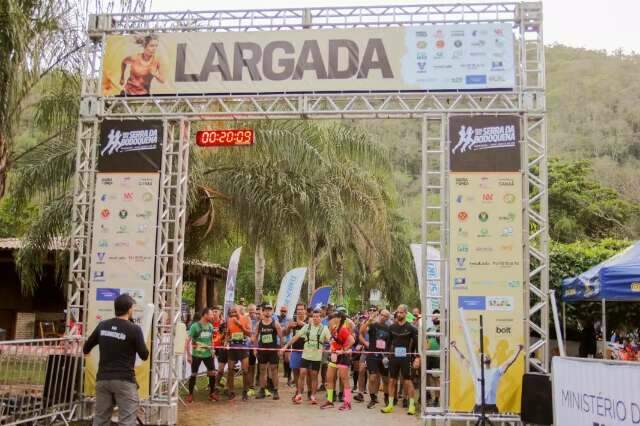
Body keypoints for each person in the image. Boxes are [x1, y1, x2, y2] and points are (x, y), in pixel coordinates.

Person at [83, 294, 149, 426]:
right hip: (125, 381)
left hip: (103, 380)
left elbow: (86, 347)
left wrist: (88, 354)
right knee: (127, 421)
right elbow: (144, 355)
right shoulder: (134, 329)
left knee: (100, 420)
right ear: (130, 309)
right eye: (133, 308)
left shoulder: (103, 325)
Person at [451, 340, 522, 413]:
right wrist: (454, 347)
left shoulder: (496, 371)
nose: (486, 356)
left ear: (490, 359)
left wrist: (518, 350)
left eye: (487, 355)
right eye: (483, 356)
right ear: (480, 360)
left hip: (491, 407)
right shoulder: (475, 371)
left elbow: (509, 362)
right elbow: (462, 359)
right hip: (479, 407)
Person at [283, 308, 330, 404]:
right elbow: (295, 337)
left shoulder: (324, 328)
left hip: (316, 356)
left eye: (318, 317)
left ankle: (313, 396)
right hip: (306, 355)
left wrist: (335, 349)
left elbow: (331, 340)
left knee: (314, 376)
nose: (316, 318)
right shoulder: (307, 327)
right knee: (302, 373)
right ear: (312, 318)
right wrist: (285, 346)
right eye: (314, 317)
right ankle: (299, 394)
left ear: (321, 318)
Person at [381, 304, 418, 415]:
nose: (399, 314)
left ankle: (412, 405)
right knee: (392, 380)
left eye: (402, 312)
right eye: (398, 312)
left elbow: (416, 344)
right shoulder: (392, 327)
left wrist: (417, 357)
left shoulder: (411, 328)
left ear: (406, 314)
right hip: (394, 357)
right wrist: (386, 356)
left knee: (407, 381)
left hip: (406, 357)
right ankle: (391, 405)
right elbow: (388, 343)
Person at [321, 312, 355, 411]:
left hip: (343, 357)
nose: (329, 322)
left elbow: (352, 340)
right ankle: (330, 401)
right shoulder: (333, 329)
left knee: (344, 379)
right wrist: (332, 348)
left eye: (331, 320)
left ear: (337, 319)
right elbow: (332, 342)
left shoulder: (343, 329)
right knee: (329, 378)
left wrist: (343, 350)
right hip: (334, 356)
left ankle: (347, 403)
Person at [185, 307, 217, 403]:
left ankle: (211, 394)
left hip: (208, 355)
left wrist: (213, 349)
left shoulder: (210, 326)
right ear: (205, 315)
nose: (213, 316)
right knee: (194, 374)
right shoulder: (195, 326)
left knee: (212, 374)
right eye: (211, 314)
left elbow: (211, 340)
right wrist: (189, 355)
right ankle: (190, 394)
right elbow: (187, 341)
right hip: (197, 355)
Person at [360, 308, 391, 409]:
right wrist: (369, 320)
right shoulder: (373, 325)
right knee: (372, 378)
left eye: (385, 316)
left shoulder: (388, 328)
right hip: (372, 355)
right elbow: (362, 331)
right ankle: (372, 399)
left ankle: (386, 398)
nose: (383, 317)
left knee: (386, 380)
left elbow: (390, 343)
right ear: (379, 314)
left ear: (387, 318)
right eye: (381, 314)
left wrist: (388, 355)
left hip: (383, 357)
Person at [254, 304, 282, 400]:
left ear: (272, 311)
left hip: (273, 350)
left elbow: (281, 337)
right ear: (263, 311)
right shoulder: (259, 324)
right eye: (266, 310)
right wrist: (255, 348)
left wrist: (280, 349)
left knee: (274, 370)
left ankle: (275, 390)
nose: (267, 312)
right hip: (262, 350)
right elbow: (255, 336)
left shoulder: (275, 323)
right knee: (262, 370)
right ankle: (262, 390)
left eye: (269, 310)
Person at [226, 305, 252, 400]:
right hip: (233, 347)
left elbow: (249, 333)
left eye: (235, 312)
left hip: (243, 347)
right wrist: (226, 340)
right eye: (231, 312)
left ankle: (245, 391)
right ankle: (231, 391)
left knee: (245, 370)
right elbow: (228, 333)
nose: (233, 314)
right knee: (230, 370)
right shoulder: (229, 320)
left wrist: (240, 326)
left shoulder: (246, 319)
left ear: (240, 311)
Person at [287, 304, 307, 401]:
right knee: (295, 371)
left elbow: (311, 328)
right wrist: (288, 327)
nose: (299, 311)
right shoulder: (293, 322)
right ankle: (298, 390)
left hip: (307, 351)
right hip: (295, 350)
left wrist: (301, 323)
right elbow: (285, 333)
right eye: (298, 309)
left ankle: (310, 391)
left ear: (305, 310)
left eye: (301, 309)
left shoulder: (309, 320)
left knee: (306, 372)